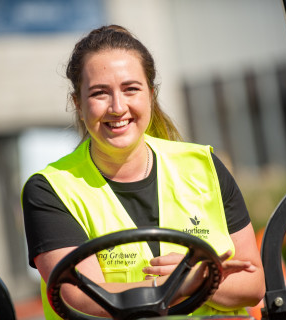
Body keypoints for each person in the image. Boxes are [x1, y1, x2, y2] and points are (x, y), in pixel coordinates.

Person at [22, 25, 265, 319]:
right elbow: (77, 296)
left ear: (150, 94)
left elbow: (253, 284)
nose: (117, 107)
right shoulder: (51, 190)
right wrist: (181, 283)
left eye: (130, 89)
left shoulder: (204, 166)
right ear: (78, 104)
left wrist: (200, 282)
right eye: (100, 93)